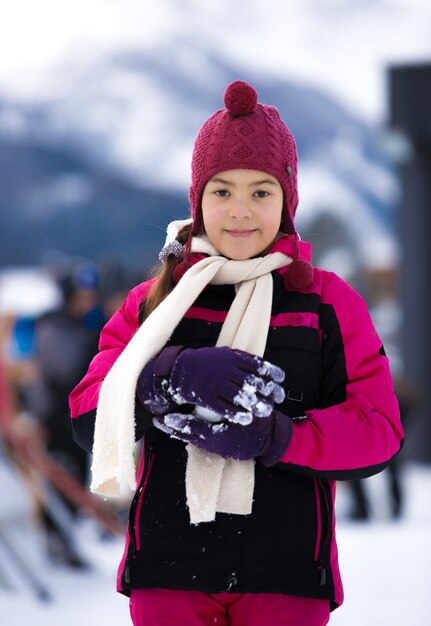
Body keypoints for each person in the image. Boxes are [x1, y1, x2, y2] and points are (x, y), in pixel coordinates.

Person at [69, 80, 404, 626]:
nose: (240, 212)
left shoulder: (327, 303)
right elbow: (87, 415)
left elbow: (379, 432)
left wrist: (280, 436)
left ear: (287, 200)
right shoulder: (155, 301)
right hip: (168, 566)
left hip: (288, 572)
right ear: (197, 200)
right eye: (222, 191)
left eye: (261, 192)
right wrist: (166, 376)